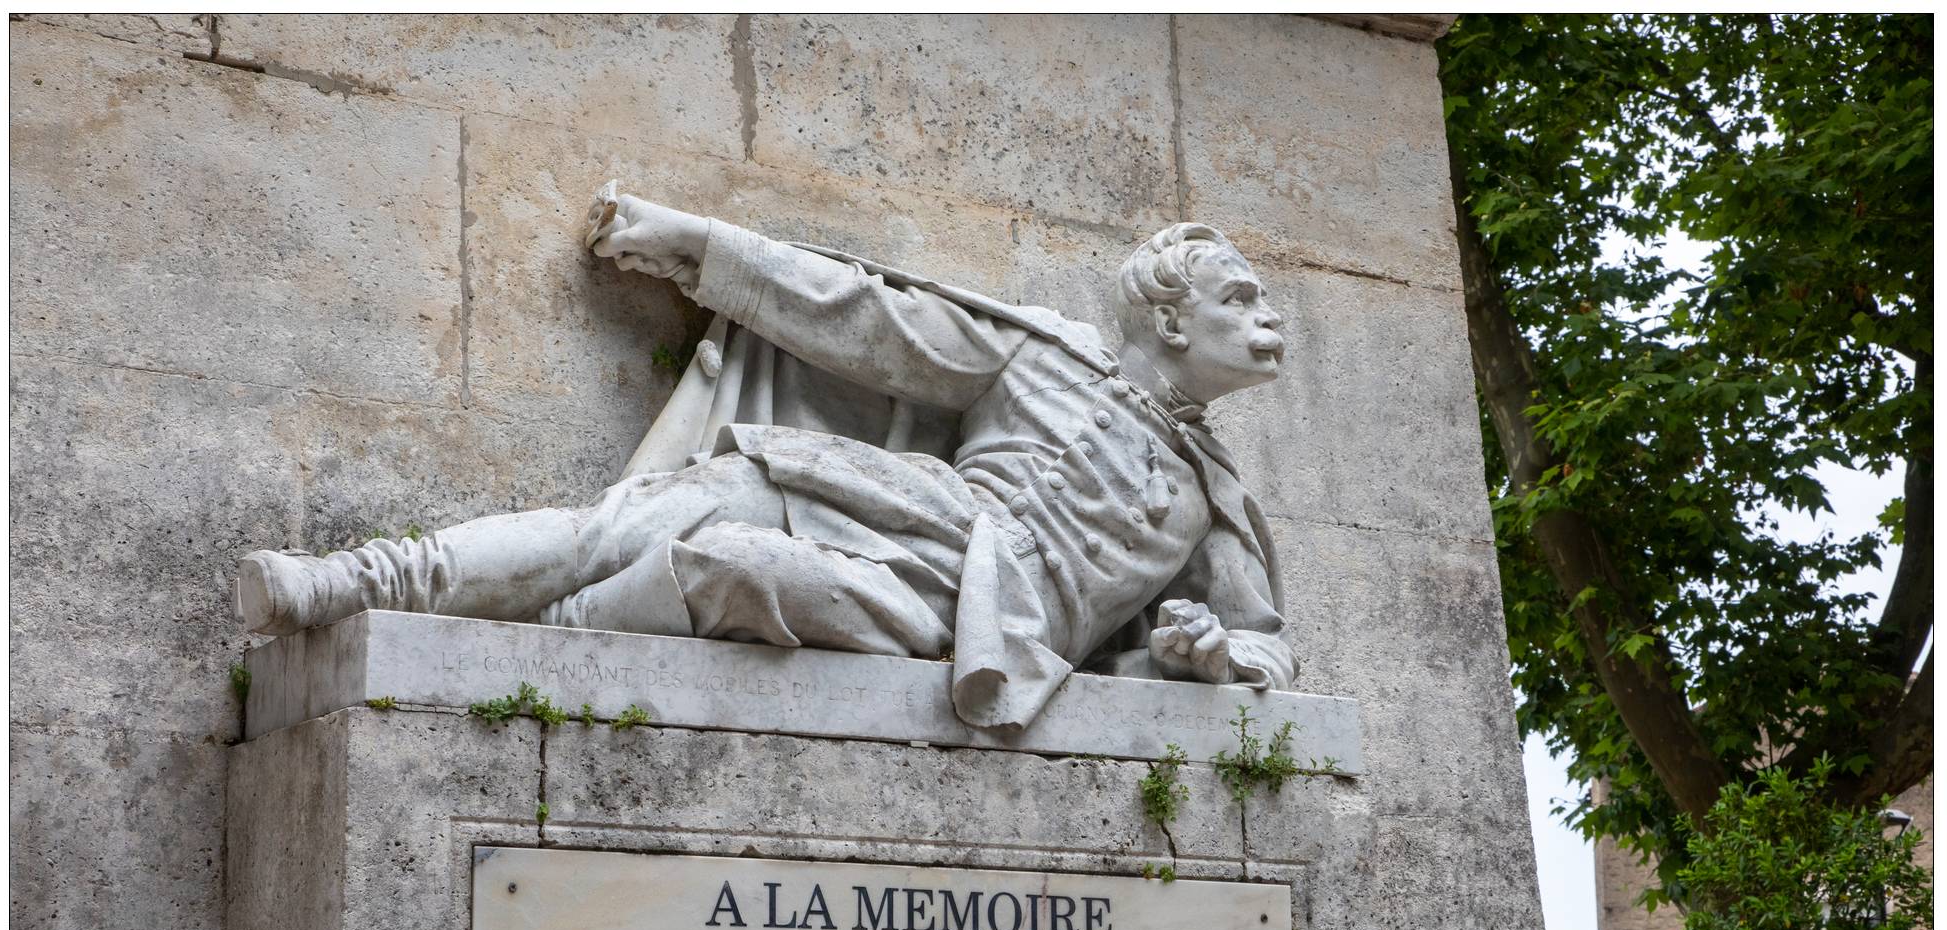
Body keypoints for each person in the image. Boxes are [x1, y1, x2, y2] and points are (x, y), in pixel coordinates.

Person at [236, 192, 1298, 729]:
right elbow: (866, 315)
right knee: (640, 516)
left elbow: (1262, 650)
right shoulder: (1044, 356)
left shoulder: (1213, 502)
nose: (1268, 318)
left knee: (736, 568)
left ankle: (523, 660)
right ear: (1167, 319)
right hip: (904, 502)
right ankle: (359, 578)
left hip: (962, 614)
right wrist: (696, 244)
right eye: (1238, 300)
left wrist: (1199, 655)